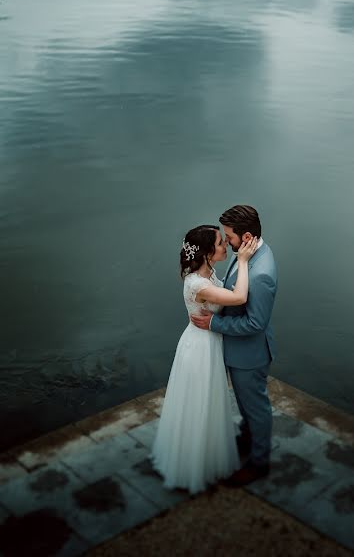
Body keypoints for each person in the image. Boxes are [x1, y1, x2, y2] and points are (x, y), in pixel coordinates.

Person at [151, 224, 259, 494]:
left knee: (207, 401)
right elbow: (239, 296)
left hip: (207, 342)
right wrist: (244, 261)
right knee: (199, 402)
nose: (226, 246)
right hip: (199, 349)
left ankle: (206, 454)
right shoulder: (199, 285)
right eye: (221, 243)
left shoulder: (207, 272)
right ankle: (193, 466)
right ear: (209, 252)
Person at [190, 205, 278, 486]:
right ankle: (247, 438)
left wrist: (214, 325)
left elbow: (255, 324)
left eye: (229, 237)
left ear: (247, 235)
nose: (226, 242)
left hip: (249, 355)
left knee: (256, 408)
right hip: (239, 351)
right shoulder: (248, 253)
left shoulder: (260, 272)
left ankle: (259, 462)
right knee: (246, 405)